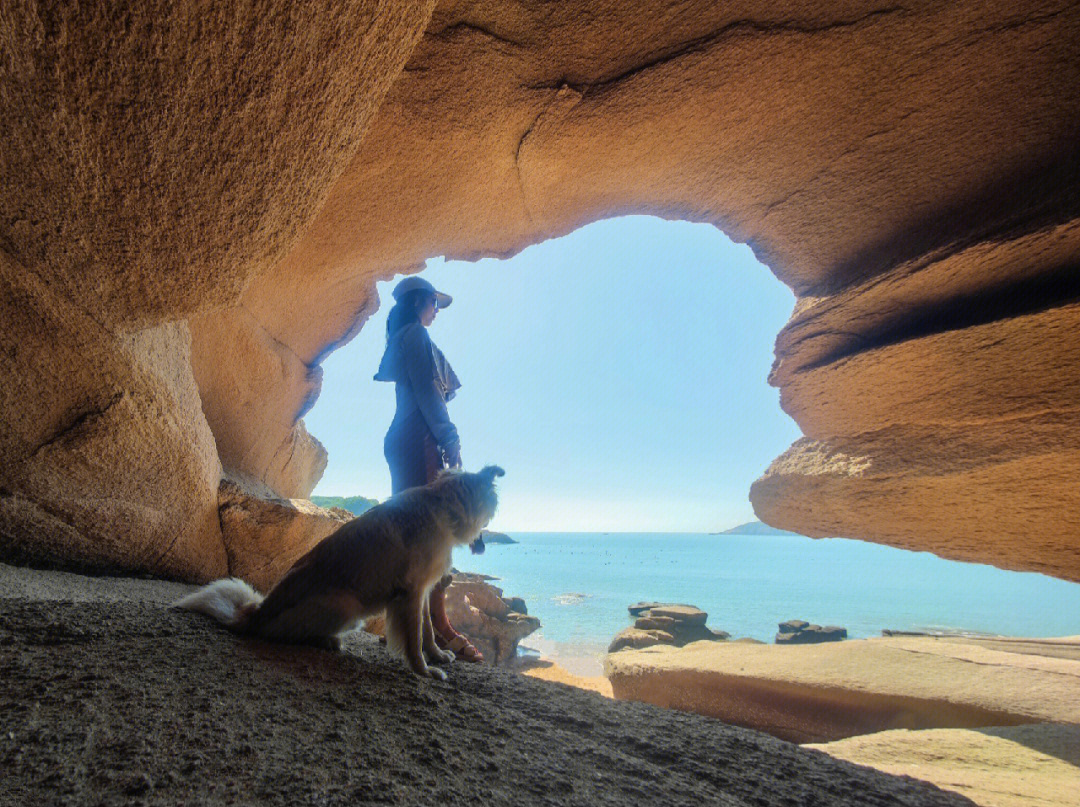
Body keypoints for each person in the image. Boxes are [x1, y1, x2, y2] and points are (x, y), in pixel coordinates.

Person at [374, 275, 483, 662]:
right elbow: (427, 394)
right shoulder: (416, 336)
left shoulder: (401, 336)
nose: (437, 311)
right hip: (418, 438)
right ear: (422, 301)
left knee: (410, 535)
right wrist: (451, 441)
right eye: (436, 303)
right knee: (431, 535)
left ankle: (404, 628)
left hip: (405, 438)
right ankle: (437, 626)